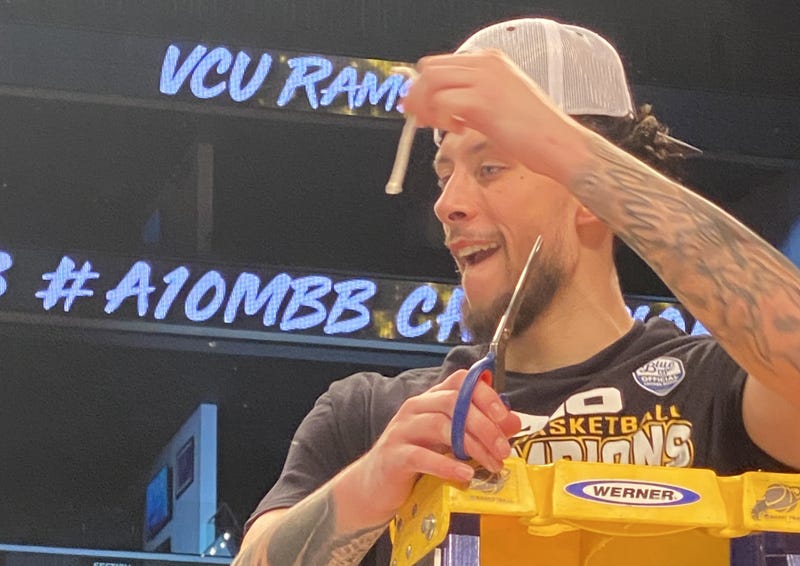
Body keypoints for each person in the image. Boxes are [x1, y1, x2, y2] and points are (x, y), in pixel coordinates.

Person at [234, 17, 800, 566]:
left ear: (589, 193)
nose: (446, 204)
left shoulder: (717, 390)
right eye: (445, 172)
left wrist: (571, 150)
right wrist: (375, 480)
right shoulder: (371, 416)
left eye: (490, 168)